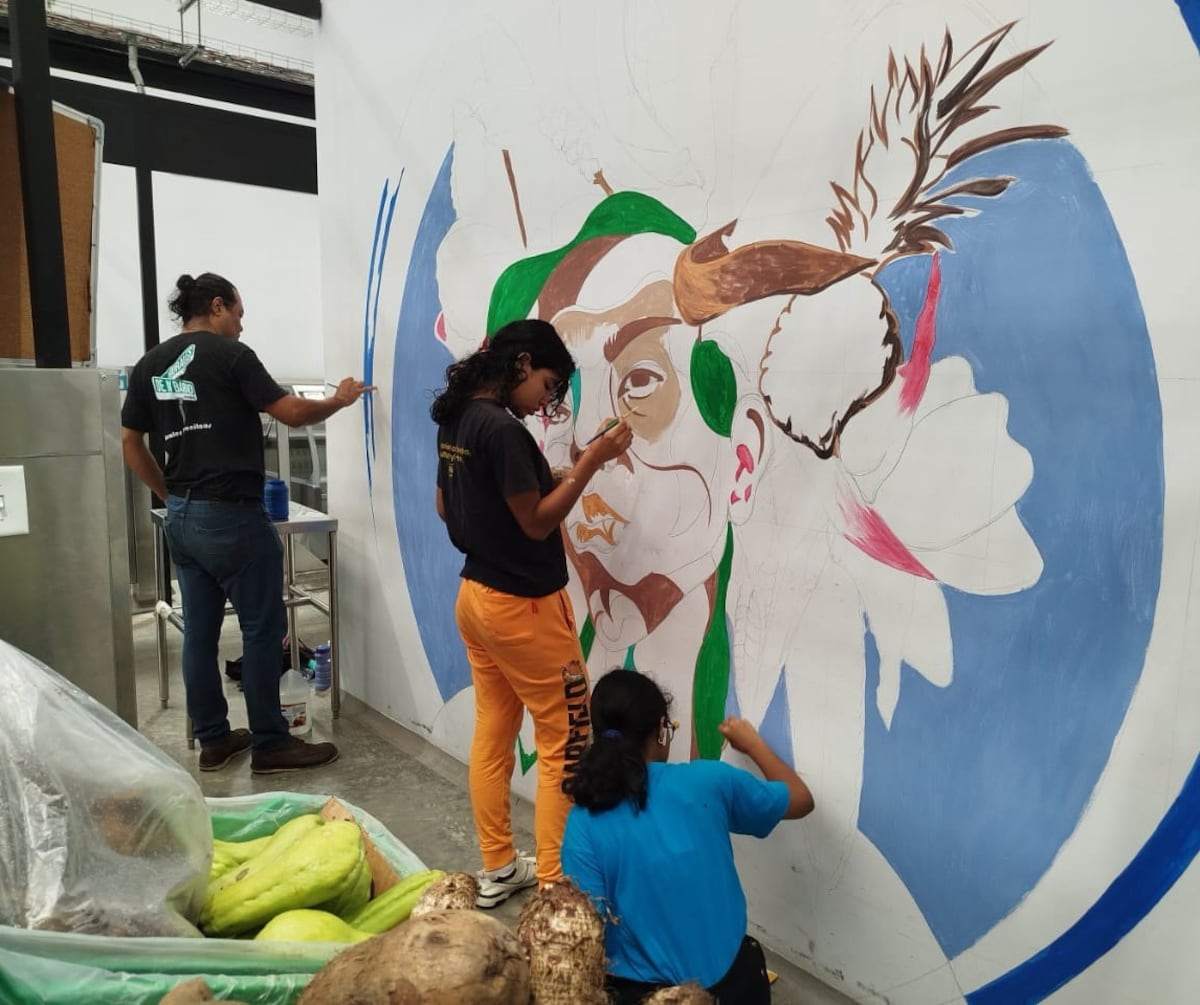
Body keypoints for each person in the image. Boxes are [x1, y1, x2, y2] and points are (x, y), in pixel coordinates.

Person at [121, 272, 373, 774]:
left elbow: (130, 442)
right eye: (238, 312)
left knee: (199, 632)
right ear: (217, 306)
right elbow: (294, 413)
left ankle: (214, 740)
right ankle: (270, 742)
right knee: (263, 629)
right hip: (233, 515)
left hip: (183, 519)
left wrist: (169, 496)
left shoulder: (150, 364)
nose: (241, 322)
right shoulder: (233, 356)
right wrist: (341, 400)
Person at [431, 318, 633, 907]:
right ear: (521, 363)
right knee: (566, 739)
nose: (548, 400)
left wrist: (562, 471)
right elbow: (538, 520)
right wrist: (592, 462)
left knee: (493, 733)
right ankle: (554, 885)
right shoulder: (503, 430)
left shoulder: (459, 416)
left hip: (477, 600)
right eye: (548, 384)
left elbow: (451, 504)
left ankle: (499, 865)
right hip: (524, 609)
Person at [561, 669, 814, 1004]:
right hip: (733, 984)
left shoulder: (583, 822)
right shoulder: (708, 781)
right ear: (661, 729)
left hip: (640, 994)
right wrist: (753, 744)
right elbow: (800, 799)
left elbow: (586, 939)